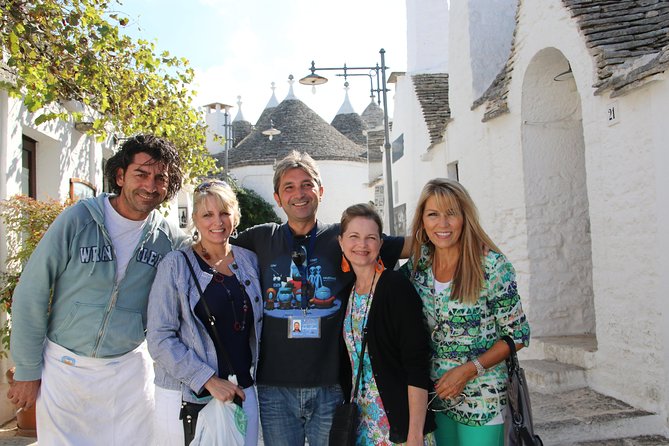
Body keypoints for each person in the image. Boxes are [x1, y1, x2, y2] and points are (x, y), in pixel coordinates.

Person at [7, 134, 186, 444]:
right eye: (141, 174)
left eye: (160, 178)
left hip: (129, 374)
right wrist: (26, 369)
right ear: (120, 175)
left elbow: (204, 269)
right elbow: (32, 290)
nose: (150, 185)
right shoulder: (79, 219)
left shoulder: (167, 236)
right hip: (65, 370)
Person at [231, 151, 407, 446]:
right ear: (277, 197)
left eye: (307, 184)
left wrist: (459, 239)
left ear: (320, 192)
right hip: (274, 389)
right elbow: (214, 248)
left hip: (331, 387)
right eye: (289, 187)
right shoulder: (260, 239)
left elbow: (403, 246)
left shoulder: (345, 237)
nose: (298, 194)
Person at [401, 178, 531, 446]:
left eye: (451, 214)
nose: (443, 224)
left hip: (482, 396)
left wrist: (469, 370)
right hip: (435, 395)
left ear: (464, 217)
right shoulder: (419, 264)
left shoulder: (492, 266)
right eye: (433, 214)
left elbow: (517, 335)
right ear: (423, 220)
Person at [147, 180, 263, 446]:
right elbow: (159, 337)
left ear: (235, 215)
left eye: (224, 212)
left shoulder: (249, 261)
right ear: (195, 219)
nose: (217, 222)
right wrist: (208, 380)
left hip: (244, 392)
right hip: (190, 397)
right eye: (207, 214)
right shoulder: (176, 266)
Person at [338, 204, 436, 445]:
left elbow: (416, 364)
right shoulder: (347, 292)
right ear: (341, 242)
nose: (362, 245)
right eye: (354, 237)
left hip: (399, 428)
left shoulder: (395, 288)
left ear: (380, 244)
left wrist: (415, 434)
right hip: (362, 427)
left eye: (370, 237)